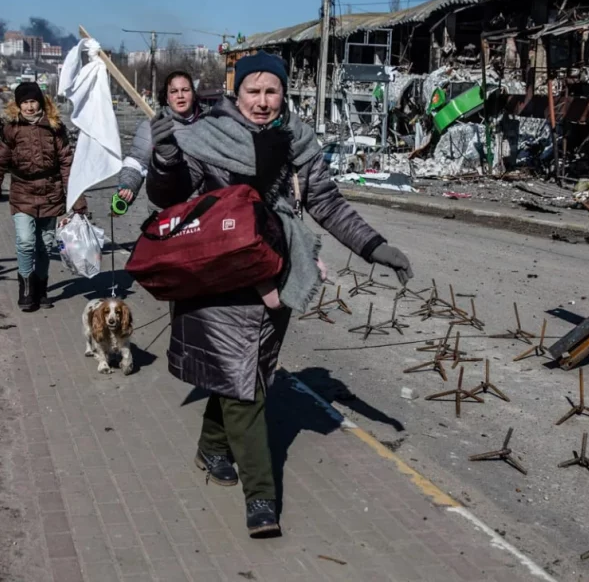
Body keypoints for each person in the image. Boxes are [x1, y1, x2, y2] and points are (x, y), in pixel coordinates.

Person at [146, 51, 413, 537]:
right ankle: (262, 498)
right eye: (254, 91)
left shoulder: (298, 142)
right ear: (237, 92)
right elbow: (173, 199)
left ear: (284, 94)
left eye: (272, 92)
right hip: (219, 278)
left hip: (278, 274)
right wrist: (164, 159)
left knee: (242, 375)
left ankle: (211, 447)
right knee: (244, 388)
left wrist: (375, 247)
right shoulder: (204, 136)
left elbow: (327, 204)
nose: (263, 102)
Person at [0, 82, 88, 312]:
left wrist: (78, 200)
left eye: (33, 101)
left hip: (51, 194)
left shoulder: (55, 127)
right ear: (18, 105)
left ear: (41, 102)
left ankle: (41, 289)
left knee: (45, 245)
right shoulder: (12, 129)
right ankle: (26, 289)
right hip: (22, 192)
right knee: (26, 241)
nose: (29, 107)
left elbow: (67, 165)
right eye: (25, 102)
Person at [116, 70, 201, 209]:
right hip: (166, 212)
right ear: (167, 98)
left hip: (204, 213)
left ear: (193, 94)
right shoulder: (154, 126)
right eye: (174, 91)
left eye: (185, 90)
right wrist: (128, 185)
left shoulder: (210, 124)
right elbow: (136, 163)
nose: (180, 95)